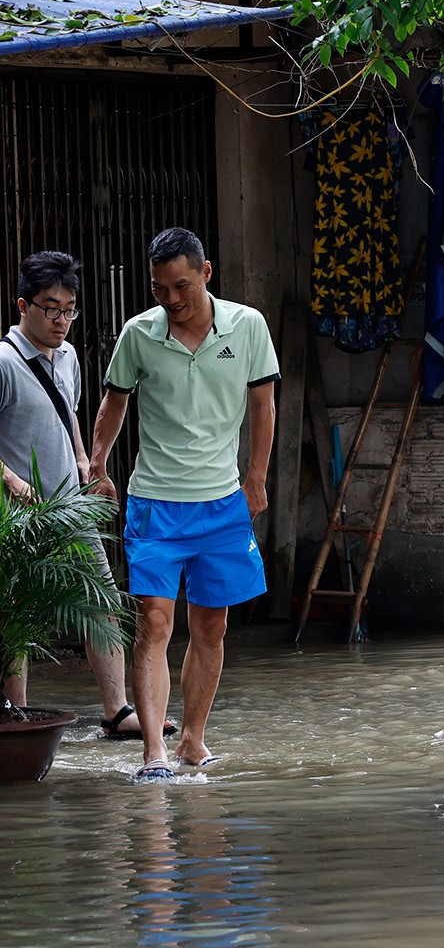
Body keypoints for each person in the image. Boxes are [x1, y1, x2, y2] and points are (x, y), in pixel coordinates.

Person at [88, 228, 279, 783]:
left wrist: (257, 478)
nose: (171, 299)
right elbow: (113, 402)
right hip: (155, 504)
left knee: (212, 628)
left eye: (181, 286)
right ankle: (154, 751)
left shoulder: (247, 327)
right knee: (152, 623)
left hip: (222, 503)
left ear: (206, 273)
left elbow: (264, 406)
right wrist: (98, 466)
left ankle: (193, 740)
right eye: (159, 288)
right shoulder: (138, 334)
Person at [0, 250, 173, 740]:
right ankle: (18, 713)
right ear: (23, 306)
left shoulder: (70, 356)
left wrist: (86, 464)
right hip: (21, 519)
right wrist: (11, 480)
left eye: (70, 309)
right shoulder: (5, 362)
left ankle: (117, 711)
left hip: (70, 508)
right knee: (18, 616)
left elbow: (69, 413)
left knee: (99, 602)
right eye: (51, 308)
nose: (62, 320)